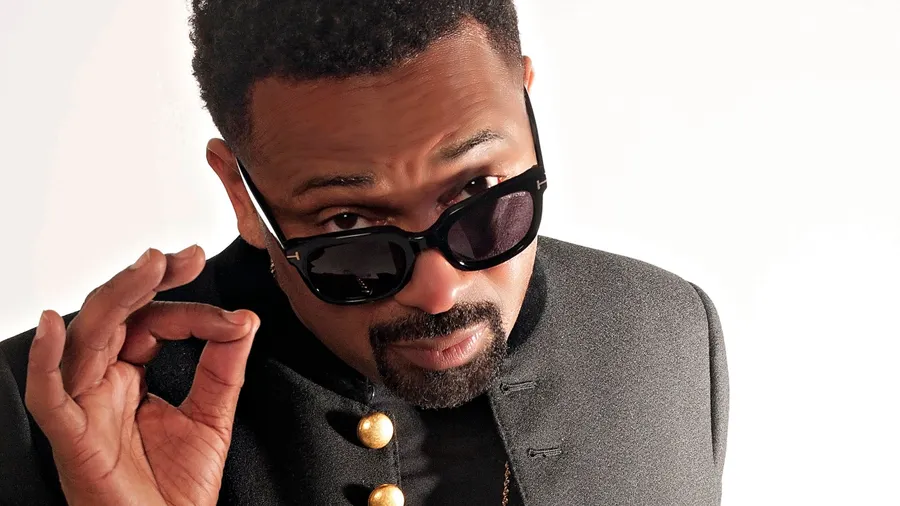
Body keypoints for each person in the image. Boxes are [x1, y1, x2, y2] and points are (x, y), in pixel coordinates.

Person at [0, 1, 729, 505]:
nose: (440, 291)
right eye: (348, 223)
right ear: (239, 193)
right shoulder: (37, 413)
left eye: (478, 190)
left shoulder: (667, 331)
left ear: (529, 111)